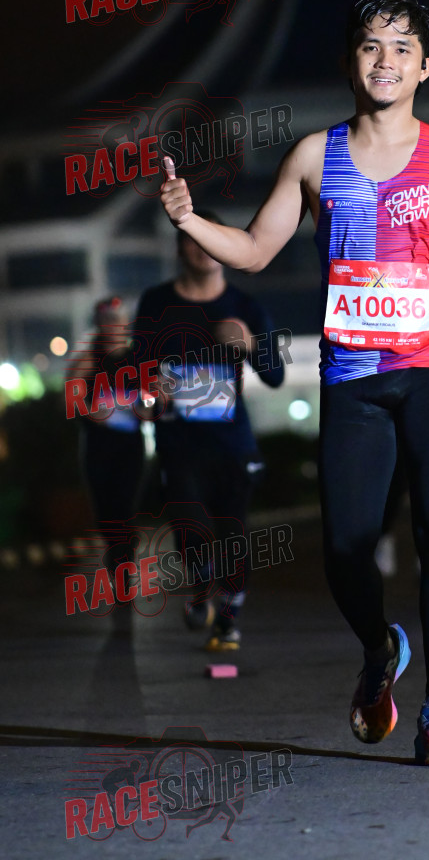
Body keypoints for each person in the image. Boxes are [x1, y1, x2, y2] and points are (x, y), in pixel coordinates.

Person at [158, 0, 429, 764]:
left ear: (424, 67)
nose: (385, 60)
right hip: (353, 377)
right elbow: (256, 249)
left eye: (401, 48)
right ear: (350, 61)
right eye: (371, 45)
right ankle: (379, 648)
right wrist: (189, 218)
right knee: (346, 547)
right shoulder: (312, 157)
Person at [132, 210, 285, 650]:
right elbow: (139, 373)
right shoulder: (156, 304)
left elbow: (275, 375)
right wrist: (149, 399)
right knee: (191, 528)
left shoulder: (244, 307)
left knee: (233, 535)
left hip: (232, 445)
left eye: (212, 239)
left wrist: (249, 343)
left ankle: (229, 619)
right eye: (193, 239)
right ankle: (201, 586)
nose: (203, 249)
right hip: (179, 445)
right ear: (180, 247)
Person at [67, 297, 145, 590]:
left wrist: (147, 407)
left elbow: (153, 399)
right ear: (99, 325)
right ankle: (117, 559)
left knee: (125, 505)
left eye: (118, 319)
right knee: (104, 510)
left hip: (130, 446)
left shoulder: (137, 359)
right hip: (98, 447)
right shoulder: (88, 360)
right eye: (107, 320)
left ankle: (124, 568)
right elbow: (69, 399)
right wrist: (89, 410)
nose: (113, 325)